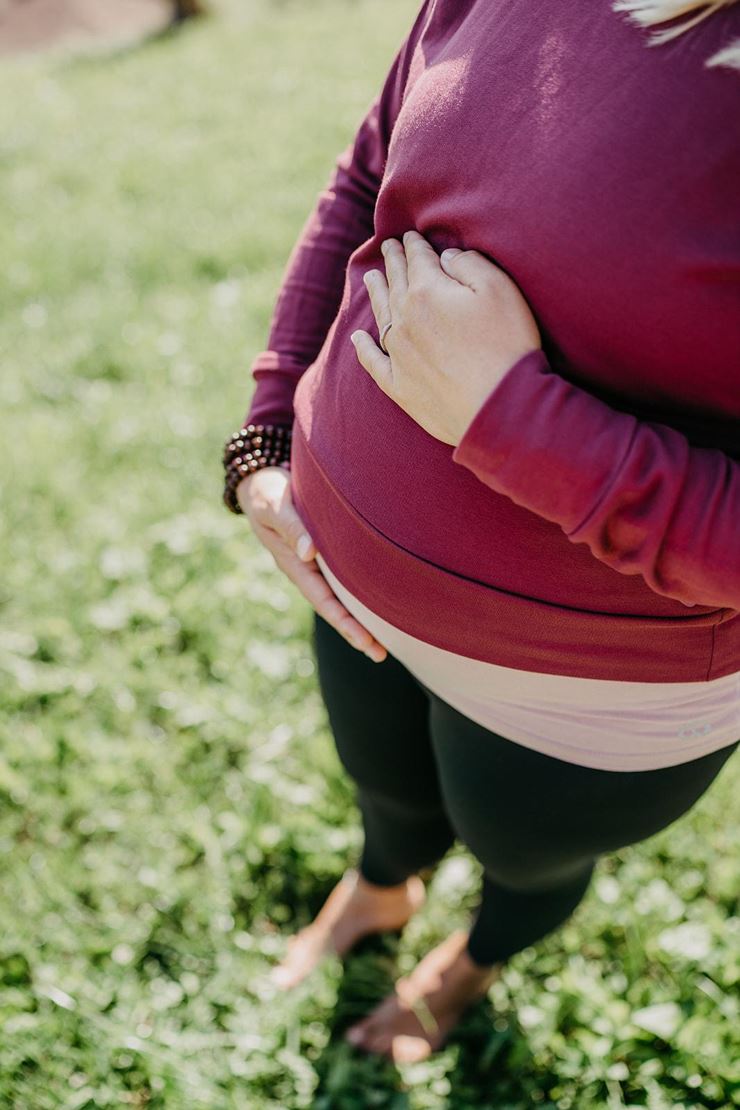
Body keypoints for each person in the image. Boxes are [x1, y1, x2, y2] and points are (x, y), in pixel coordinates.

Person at [221, 0, 740, 1064]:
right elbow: (372, 169)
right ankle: (379, 889)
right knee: (385, 791)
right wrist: (267, 433)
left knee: (527, 864)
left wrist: (514, 420)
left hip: (589, 695)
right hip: (348, 578)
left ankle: (470, 965)